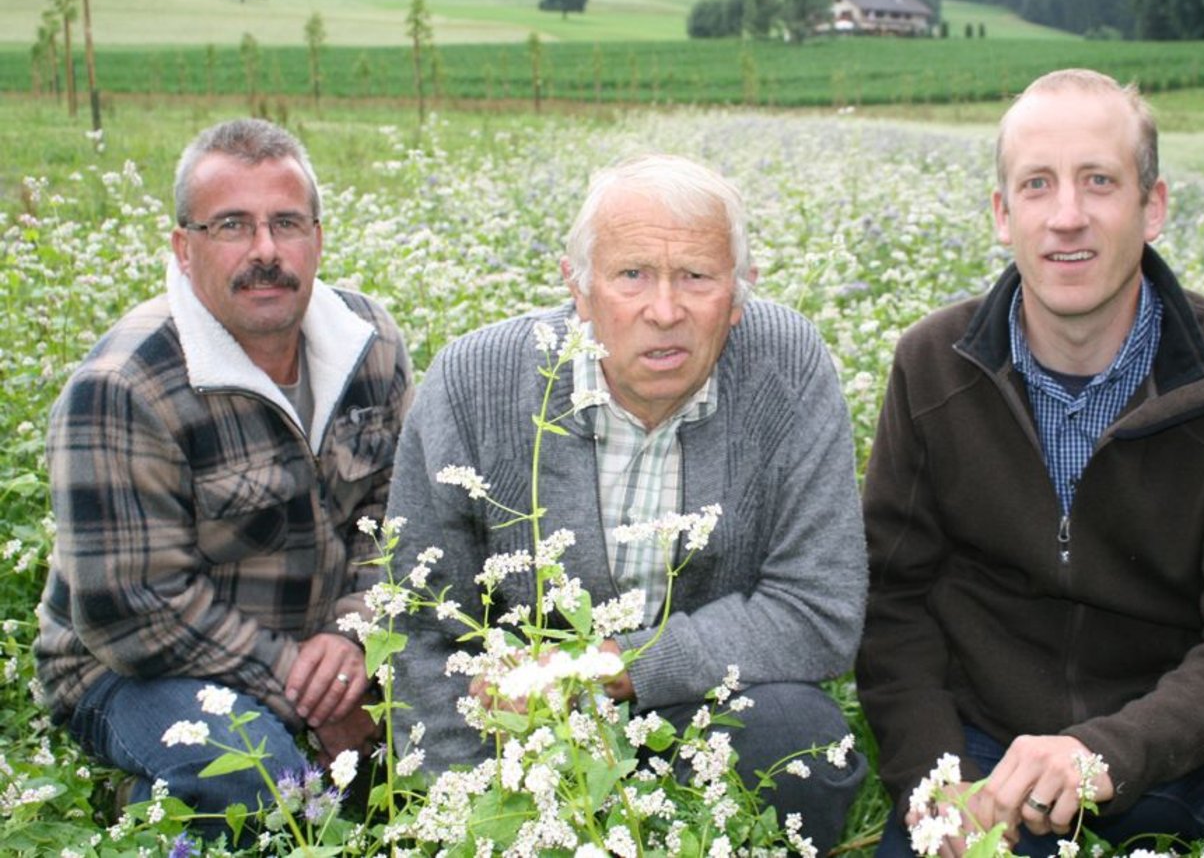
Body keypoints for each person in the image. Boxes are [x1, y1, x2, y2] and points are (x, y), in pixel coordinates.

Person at [857, 69, 1204, 858]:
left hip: (1181, 745)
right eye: (1038, 185)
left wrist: (1107, 752)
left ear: (1152, 206)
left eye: (1099, 181)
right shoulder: (932, 366)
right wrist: (940, 779)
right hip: (990, 752)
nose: (1068, 217)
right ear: (1003, 215)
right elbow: (894, 603)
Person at [388, 153, 867, 854]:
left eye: (696, 277)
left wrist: (614, 669)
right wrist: (477, 809)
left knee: (801, 743)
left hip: (701, 715)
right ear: (579, 288)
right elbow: (421, 626)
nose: (664, 310)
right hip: (528, 733)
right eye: (632, 275)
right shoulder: (474, 381)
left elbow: (820, 610)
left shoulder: (785, 365)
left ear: (738, 293)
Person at [35, 118, 414, 837]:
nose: (265, 252)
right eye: (232, 226)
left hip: (322, 649)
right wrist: (316, 692)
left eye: (286, 224)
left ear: (319, 238)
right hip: (133, 670)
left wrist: (354, 638)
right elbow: (132, 612)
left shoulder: (370, 343)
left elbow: (395, 516)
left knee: (474, 718)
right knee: (255, 774)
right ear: (184, 249)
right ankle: (144, 816)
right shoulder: (123, 387)